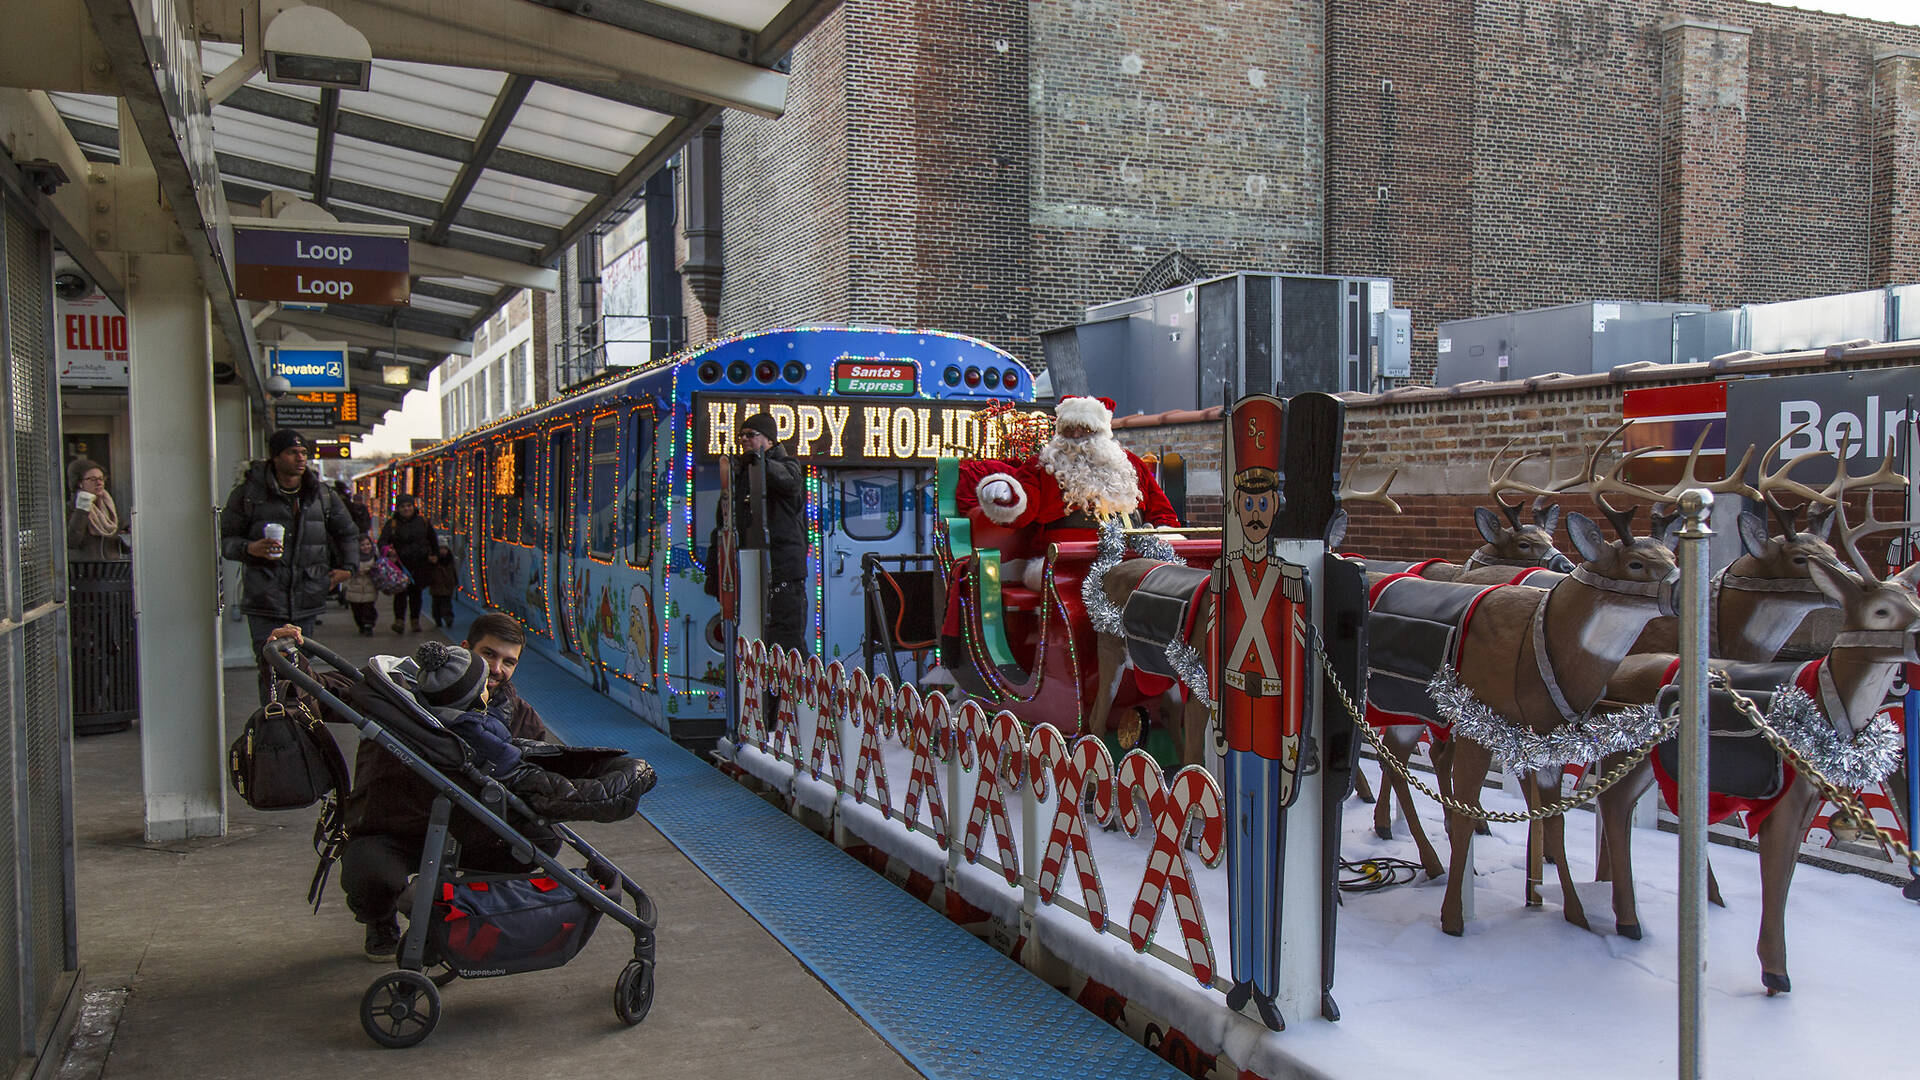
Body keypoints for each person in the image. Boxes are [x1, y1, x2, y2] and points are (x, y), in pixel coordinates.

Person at [338, 613, 551, 960]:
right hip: (395, 828)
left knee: (538, 841)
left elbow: (535, 769)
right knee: (367, 872)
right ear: (463, 649)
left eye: (509, 662)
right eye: (489, 655)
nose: (497, 669)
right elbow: (340, 689)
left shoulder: (518, 716)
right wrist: (292, 659)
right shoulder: (402, 693)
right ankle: (380, 918)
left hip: (465, 830)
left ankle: (453, 911)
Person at [219, 429, 358, 703]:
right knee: (271, 667)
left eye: (304, 453)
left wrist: (349, 568)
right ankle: (274, 725)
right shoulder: (248, 494)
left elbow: (348, 532)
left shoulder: (320, 495)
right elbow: (224, 540)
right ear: (275, 456)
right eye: (293, 452)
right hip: (264, 598)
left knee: (301, 669)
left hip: (307, 597)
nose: (300, 458)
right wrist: (249, 548)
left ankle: (299, 724)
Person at [729, 413, 808, 654]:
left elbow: (790, 482)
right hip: (755, 572)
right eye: (741, 436)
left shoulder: (787, 466)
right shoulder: (743, 471)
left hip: (784, 572)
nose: (744, 440)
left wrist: (762, 463)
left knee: (787, 642)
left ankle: (796, 689)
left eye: (751, 435)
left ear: (770, 441)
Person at [377, 494, 439, 634]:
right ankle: (399, 620)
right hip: (399, 565)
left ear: (413, 506)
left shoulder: (423, 522)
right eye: (403, 506)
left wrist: (435, 555)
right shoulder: (392, 524)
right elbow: (382, 542)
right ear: (398, 509)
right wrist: (388, 552)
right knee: (400, 593)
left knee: (416, 594)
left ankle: (415, 620)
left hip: (420, 564)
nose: (406, 509)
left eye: (409, 506)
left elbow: (433, 539)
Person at [65, 458, 128, 561]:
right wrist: (82, 510)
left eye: (101, 478)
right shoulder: (70, 509)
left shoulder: (109, 507)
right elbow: (72, 541)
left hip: (111, 570)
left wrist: (128, 535)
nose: (99, 483)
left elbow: (121, 542)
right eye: (93, 479)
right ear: (79, 483)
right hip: (86, 571)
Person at [342, 535, 380, 636]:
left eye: (368, 544)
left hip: (369, 588)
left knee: (369, 609)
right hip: (354, 588)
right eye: (362, 545)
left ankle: (368, 625)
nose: (366, 547)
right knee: (357, 610)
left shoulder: (375, 556)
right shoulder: (353, 558)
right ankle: (361, 625)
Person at [426, 545, 459, 628]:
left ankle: (448, 618)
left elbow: (454, 573)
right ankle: (438, 619)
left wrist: (455, 582)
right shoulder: (433, 562)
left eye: (445, 549)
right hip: (436, 586)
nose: (443, 551)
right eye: (441, 548)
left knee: (446, 604)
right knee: (436, 605)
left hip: (447, 586)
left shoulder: (450, 562)